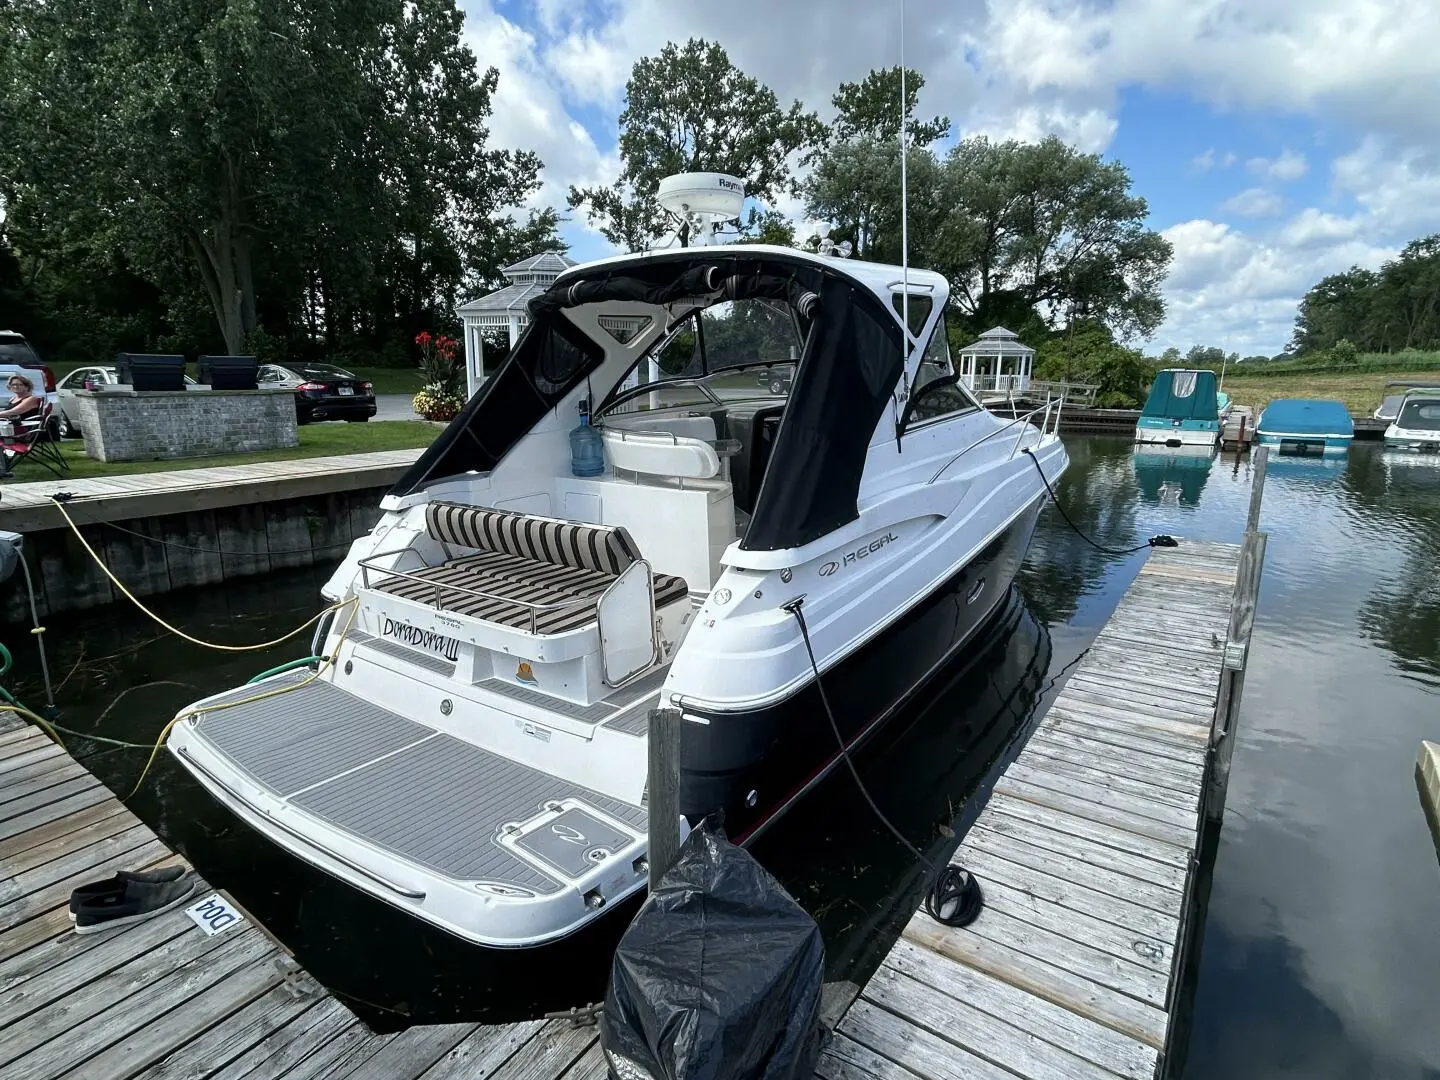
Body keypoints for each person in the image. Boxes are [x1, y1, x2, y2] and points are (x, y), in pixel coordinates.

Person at [0, 373, 44, 477]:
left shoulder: (31, 399)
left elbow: (15, 412)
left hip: (22, 435)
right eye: (13, 385)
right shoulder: (13, 399)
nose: (15, 387)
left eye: (19, 384)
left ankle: (2, 471)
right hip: (10, 430)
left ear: (26, 386)